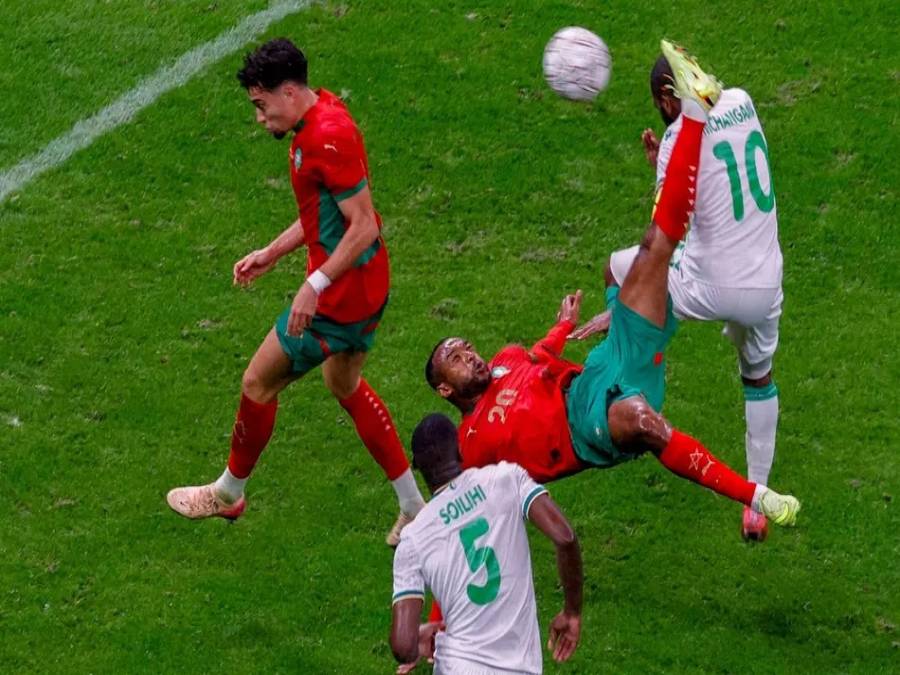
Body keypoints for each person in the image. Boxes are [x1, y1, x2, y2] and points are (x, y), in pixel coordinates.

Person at [424, 41, 800, 531]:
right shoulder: (472, 444)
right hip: (593, 422)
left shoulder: (507, 359)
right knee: (652, 406)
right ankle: (757, 496)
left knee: (650, 250)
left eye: (465, 347)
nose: (470, 354)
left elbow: (536, 358)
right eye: (457, 357)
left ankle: (694, 115)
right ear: (444, 389)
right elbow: (468, 505)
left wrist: (563, 329)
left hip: (614, 359)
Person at [166, 38, 424, 545]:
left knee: (257, 381)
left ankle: (228, 493)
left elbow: (364, 225)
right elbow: (327, 213)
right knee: (344, 384)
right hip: (369, 285)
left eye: (262, 105)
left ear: (288, 92)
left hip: (339, 299)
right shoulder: (325, 112)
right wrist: (273, 251)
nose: (260, 118)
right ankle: (413, 505)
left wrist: (313, 284)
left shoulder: (325, 137)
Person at [575, 52, 783, 541]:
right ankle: (757, 502)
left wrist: (663, 164)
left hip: (710, 283)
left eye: (659, 104)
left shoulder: (675, 139)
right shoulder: (743, 100)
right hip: (767, 280)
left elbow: (667, 232)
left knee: (619, 267)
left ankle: (624, 361)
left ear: (669, 98)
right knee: (758, 376)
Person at [391, 413, 583, 674]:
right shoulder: (507, 478)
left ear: (417, 468)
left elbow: (403, 647)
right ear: (459, 450)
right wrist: (571, 612)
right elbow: (565, 537)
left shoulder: (412, 539)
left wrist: (417, 640)